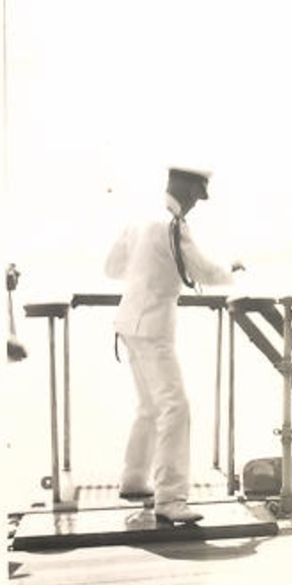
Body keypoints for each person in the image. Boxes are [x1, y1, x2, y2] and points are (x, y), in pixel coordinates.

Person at [105, 165, 243, 525]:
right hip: (153, 326)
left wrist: (146, 274)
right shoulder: (172, 224)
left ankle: (135, 479)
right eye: (198, 196)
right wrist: (233, 270)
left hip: (128, 323)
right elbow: (203, 272)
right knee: (176, 409)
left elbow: (111, 268)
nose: (198, 204)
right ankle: (170, 498)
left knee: (150, 406)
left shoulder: (140, 219)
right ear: (187, 191)